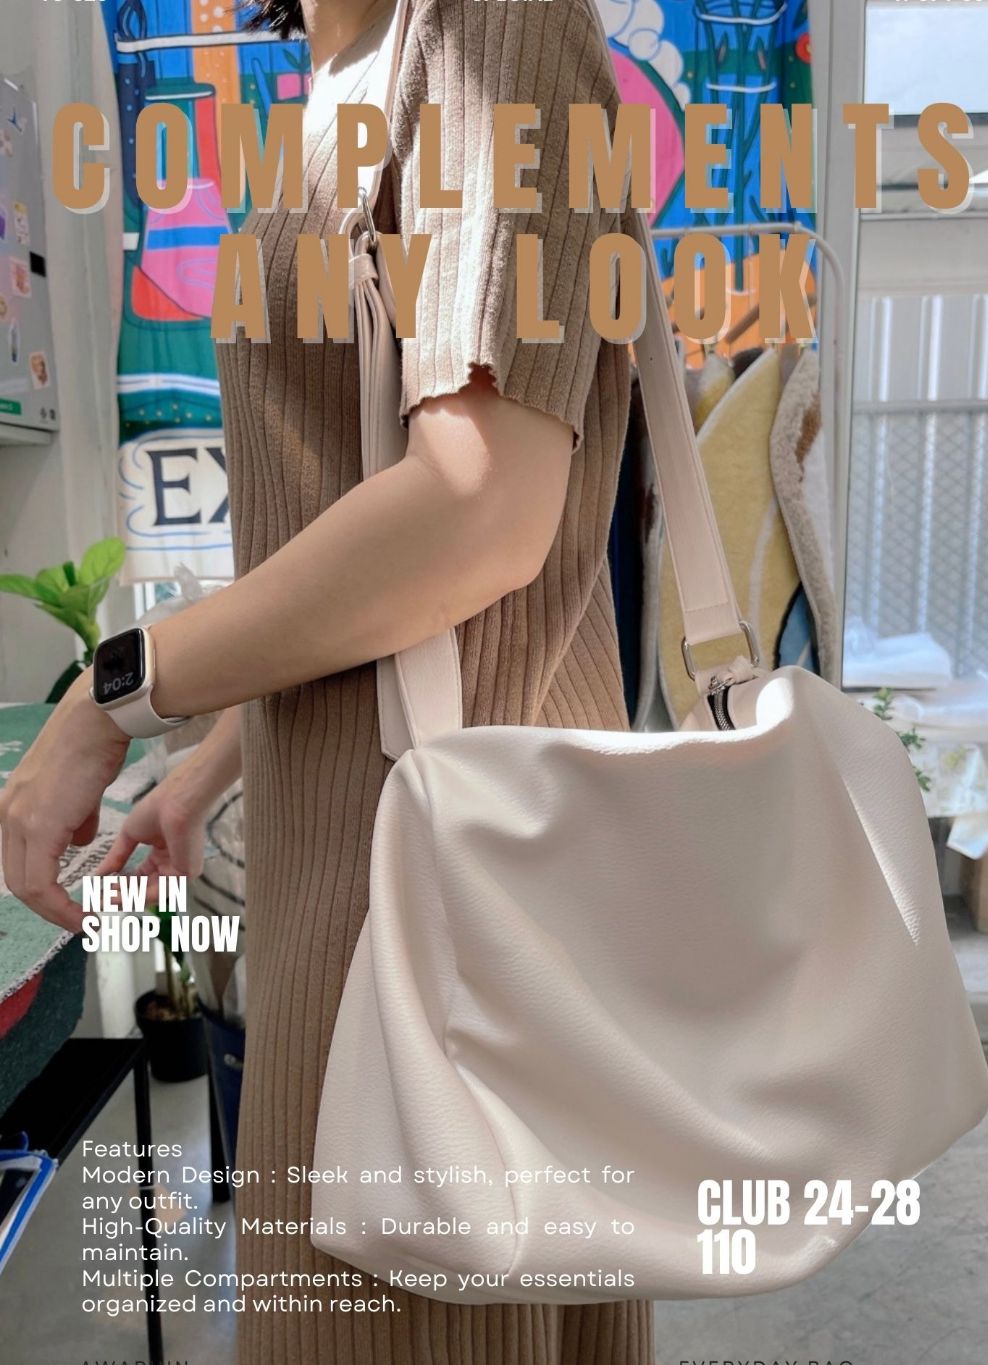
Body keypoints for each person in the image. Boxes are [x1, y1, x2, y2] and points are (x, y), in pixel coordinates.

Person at [0, 0, 653, 1359]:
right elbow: (366, 537)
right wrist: (212, 765)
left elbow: (477, 512)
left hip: (448, 890)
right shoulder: (350, 61)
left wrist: (111, 696)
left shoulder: (492, 28)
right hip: (356, 871)